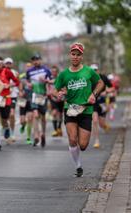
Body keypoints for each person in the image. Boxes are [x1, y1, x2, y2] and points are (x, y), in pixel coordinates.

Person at [53, 43, 104, 177]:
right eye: (73, 54)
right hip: (70, 109)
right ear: (70, 55)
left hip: (86, 110)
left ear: (82, 56)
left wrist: (94, 94)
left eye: (78, 55)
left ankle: (79, 158)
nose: (75, 57)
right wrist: (58, 94)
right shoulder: (64, 74)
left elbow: (100, 83)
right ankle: (78, 166)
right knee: (72, 139)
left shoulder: (88, 71)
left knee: (83, 145)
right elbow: (54, 89)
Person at [0, 56, 19, 151]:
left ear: (2, 64)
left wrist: (10, 84)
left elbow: (17, 82)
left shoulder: (7, 72)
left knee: (4, 119)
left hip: (6, 98)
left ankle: (7, 128)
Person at [26, 54, 52, 147]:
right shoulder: (29, 71)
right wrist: (28, 84)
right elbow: (27, 82)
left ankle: (43, 134)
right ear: (32, 61)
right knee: (35, 114)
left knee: (43, 117)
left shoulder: (46, 70)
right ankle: (36, 136)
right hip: (34, 95)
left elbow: (52, 81)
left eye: (37, 59)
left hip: (43, 95)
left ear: (40, 60)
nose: (36, 61)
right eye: (34, 60)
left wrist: (46, 81)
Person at [90, 63, 113, 148]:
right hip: (93, 102)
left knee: (101, 124)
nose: (94, 72)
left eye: (95, 70)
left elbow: (112, 88)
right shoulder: (88, 79)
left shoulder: (103, 77)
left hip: (102, 102)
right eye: (92, 70)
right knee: (95, 121)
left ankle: (105, 126)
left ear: (98, 70)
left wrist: (106, 92)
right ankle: (96, 140)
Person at [4, 57, 20, 142]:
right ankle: (6, 129)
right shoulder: (1, 72)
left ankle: (12, 133)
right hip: (3, 96)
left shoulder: (15, 73)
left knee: (12, 114)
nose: (8, 65)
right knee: (4, 116)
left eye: (9, 63)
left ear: (12, 64)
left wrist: (20, 92)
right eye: (7, 63)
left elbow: (18, 83)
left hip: (12, 95)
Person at [19, 63, 34, 145]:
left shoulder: (34, 77)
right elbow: (20, 87)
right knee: (22, 121)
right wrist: (21, 92)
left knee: (30, 119)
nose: (28, 68)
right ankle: (23, 126)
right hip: (23, 100)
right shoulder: (22, 77)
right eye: (27, 67)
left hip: (31, 100)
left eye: (30, 67)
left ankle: (28, 137)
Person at [48, 65, 64, 137]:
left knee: (60, 114)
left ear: (57, 72)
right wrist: (48, 91)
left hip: (60, 98)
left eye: (55, 71)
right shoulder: (49, 77)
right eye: (52, 71)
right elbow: (47, 85)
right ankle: (55, 130)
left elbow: (63, 86)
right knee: (54, 113)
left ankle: (59, 128)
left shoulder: (60, 78)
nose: (53, 72)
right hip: (53, 98)